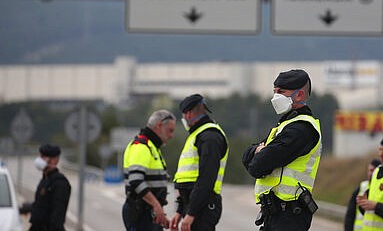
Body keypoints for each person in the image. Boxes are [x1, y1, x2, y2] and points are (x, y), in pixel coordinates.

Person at [242, 69, 322, 231]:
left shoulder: (301, 130)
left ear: (299, 95)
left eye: (281, 92)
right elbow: (247, 156)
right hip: (276, 213)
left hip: (290, 215)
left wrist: (259, 152)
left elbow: (258, 166)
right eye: (274, 92)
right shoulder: (285, 126)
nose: (275, 97)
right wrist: (257, 150)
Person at [170, 94, 229, 231]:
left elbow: (206, 179)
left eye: (184, 115)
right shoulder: (197, 135)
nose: (183, 119)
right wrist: (180, 210)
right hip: (193, 204)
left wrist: (191, 213)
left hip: (203, 207)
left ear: (189, 114)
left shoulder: (210, 137)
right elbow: (185, 180)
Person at [122, 109, 177, 231]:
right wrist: (156, 205)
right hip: (141, 213)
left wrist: (160, 213)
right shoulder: (141, 146)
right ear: (159, 126)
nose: (171, 135)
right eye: (170, 130)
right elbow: (136, 181)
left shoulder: (152, 147)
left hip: (148, 213)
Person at [29, 144, 71, 231]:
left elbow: (57, 216)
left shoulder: (60, 183)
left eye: (43, 157)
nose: (39, 160)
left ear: (54, 160)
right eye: (40, 156)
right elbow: (41, 205)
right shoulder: (45, 180)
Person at [344, 159, 381, 231]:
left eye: (373, 170)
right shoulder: (361, 187)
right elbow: (350, 215)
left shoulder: (382, 189)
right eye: (369, 170)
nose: (370, 173)